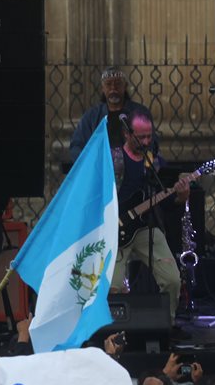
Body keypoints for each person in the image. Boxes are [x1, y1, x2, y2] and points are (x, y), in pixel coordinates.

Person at [110, 111, 186, 320]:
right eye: (140, 137)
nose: (145, 141)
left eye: (149, 136)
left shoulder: (155, 162)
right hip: (117, 232)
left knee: (172, 279)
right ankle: (114, 336)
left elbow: (167, 201)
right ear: (127, 134)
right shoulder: (113, 159)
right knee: (113, 287)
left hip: (146, 228)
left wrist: (181, 196)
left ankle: (166, 325)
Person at [69, 66, 157, 162]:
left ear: (125, 87)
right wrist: (91, 162)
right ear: (103, 88)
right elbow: (76, 146)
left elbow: (152, 144)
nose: (113, 88)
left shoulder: (140, 113)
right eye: (108, 84)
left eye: (118, 84)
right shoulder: (92, 116)